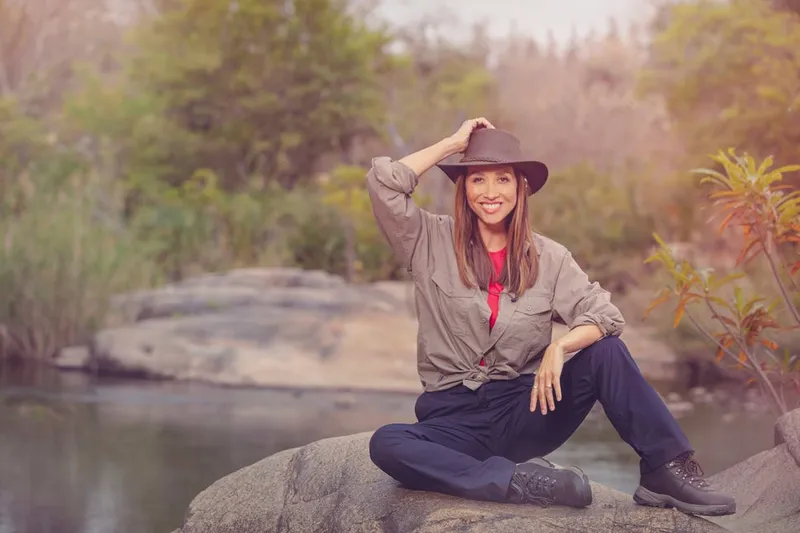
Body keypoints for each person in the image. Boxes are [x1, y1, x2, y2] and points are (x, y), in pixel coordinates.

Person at [364, 118, 736, 516]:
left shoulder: (550, 257)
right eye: (478, 180)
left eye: (503, 179)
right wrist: (453, 143)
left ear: (520, 187)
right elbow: (384, 183)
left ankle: (665, 470)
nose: (491, 193)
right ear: (464, 188)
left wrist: (562, 345)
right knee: (386, 443)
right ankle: (519, 482)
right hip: (451, 420)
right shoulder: (427, 239)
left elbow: (604, 315)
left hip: (525, 413)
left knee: (607, 351)